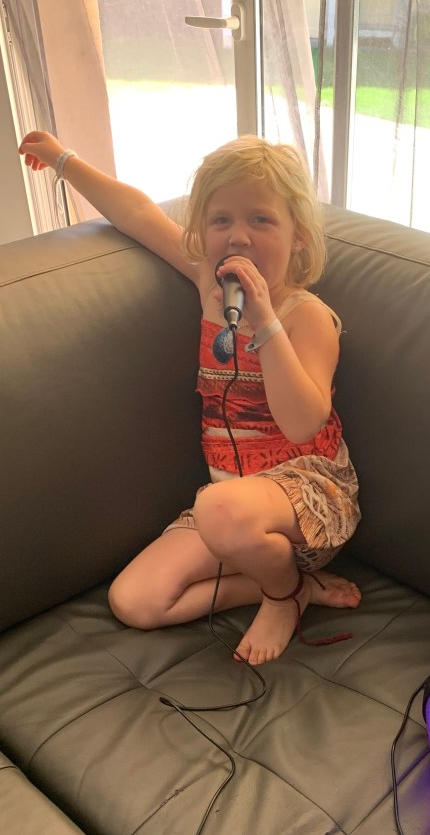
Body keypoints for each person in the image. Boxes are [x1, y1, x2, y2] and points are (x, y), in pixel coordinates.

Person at [18, 131, 362, 665]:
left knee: (219, 509)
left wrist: (265, 323)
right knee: (135, 600)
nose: (238, 236)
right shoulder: (208, 280)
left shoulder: (306, 316)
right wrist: (63, 160)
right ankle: (297, 588)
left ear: (297, 234)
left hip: (309, 501)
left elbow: (303, 423)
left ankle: (280, 597)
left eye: (261, 219)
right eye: (221, 220)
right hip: (231, 511)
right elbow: (135, 213)